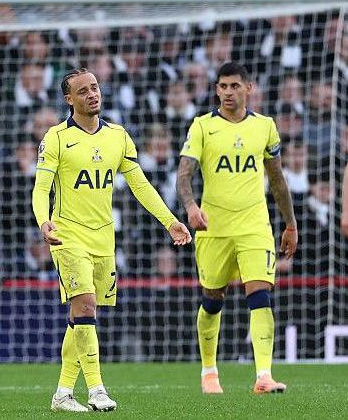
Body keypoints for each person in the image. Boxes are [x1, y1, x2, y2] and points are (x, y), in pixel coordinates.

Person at [32, 68, 191, 413]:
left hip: (104, 239)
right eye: (83, 91)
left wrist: (170, 222)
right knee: (86, 304)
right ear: (68, 99)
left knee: (80, 316)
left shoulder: (118, 136)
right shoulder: (56, 138)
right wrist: (44, 221)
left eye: (95, 88)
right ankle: (97, 390)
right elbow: (41, 188)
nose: (92, 94)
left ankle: (62, 394)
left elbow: (140, 185)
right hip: (67, 235)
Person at [176, 62, 298, 395]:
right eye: (222, 86)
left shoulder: (265, 126)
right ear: (216, 89)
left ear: (249, 88)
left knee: (260, 294)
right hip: (214, 228)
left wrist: (290, 224)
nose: (227, 92)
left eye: (234, 86)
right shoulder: (202, 126)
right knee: (213, 299)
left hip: (255, 226)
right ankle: (209, 372)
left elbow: (277, 179)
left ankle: (264, 375)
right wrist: (191, 207)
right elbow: (184, 174)